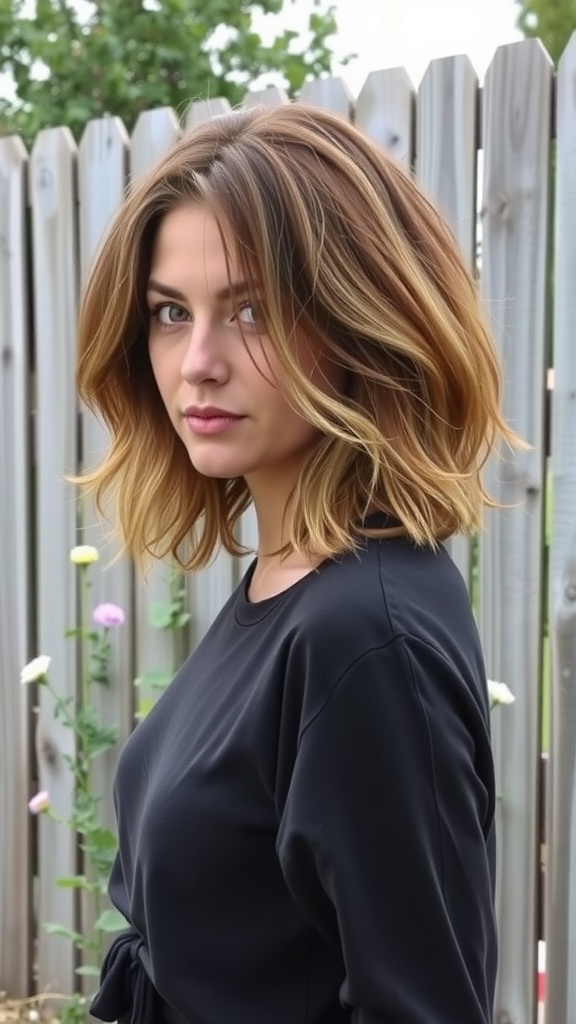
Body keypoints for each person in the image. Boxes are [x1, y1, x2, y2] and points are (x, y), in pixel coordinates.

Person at [76, 103, 516, 1024]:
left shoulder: (363, 634)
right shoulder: (291, 581)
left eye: (253, 310)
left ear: (365, 320)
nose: (197, 362)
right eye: (169, 312)